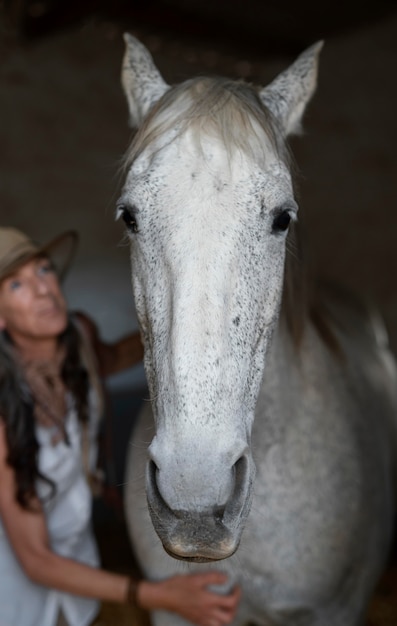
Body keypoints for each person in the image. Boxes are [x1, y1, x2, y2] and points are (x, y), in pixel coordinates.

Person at [0, 226, 240, 626]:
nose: (43, 290)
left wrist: (186, 323)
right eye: (17, 286)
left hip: (78, 568)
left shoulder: (79, 340)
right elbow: (36, 561)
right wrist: (153, 595)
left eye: (43, 270)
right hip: (13, 593)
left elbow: (116, 356)